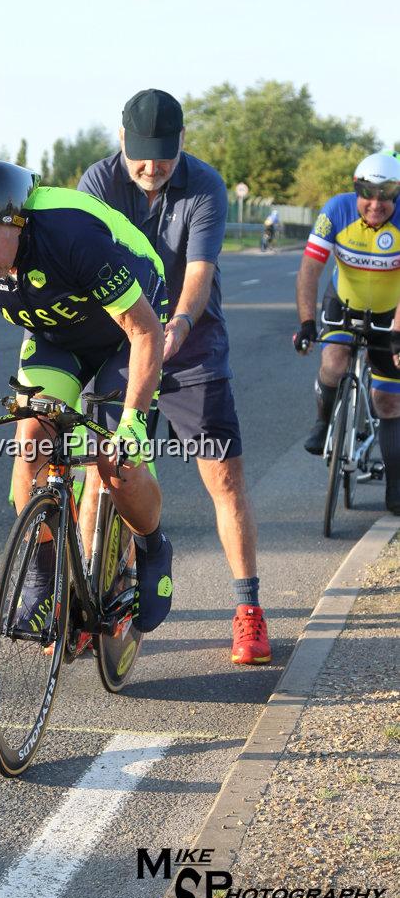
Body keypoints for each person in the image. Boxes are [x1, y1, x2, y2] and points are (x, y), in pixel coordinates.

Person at [79, 89, 270, 666]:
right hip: (120, 343)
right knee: (100, 472)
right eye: (140, 156)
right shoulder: (98, 183)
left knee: (224, 479)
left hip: (192, 348)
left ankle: (250, 611)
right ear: (121, 142)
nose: (150, 168)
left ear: (181, 143)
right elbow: (82, 261)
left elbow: (199, 271)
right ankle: (90, 604)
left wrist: (180, 324)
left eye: (163, 156)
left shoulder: (205, 185)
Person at [0, 158, 173, 633]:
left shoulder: (70, 234)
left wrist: (131, 419)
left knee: (117, 459)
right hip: (55, 335)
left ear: (18, 224)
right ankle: (43, 582)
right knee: (31, 441)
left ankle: (152, 546)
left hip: (127, 333)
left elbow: (145, 332)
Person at [294, 151, 400, 514]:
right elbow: (310, 268)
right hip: (344, 303)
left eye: (385, 196)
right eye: (367, 194)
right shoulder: (336, 210)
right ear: (356, 190)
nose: (375, 204)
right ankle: (323, 424)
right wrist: (307, 322)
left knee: (388, 399)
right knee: (333, 363)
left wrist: (398, 331)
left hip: (392, 312)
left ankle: (396, 486)